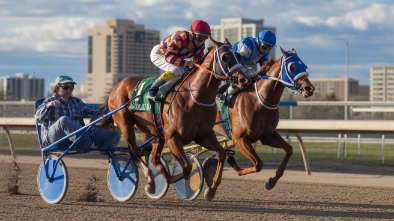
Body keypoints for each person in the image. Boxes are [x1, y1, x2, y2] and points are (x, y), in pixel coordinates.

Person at [34, 75, 121, 152]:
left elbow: (97, 111)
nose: (69, 90)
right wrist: (49, 106)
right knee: (63, 120)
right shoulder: (49, 101)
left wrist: (116, 108)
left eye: (71, 87)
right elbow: (38, 118)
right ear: (57, 88)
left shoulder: (77, 102)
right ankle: (83, 141)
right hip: (53, 139)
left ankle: (105, 149)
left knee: (115, 134)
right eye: (65, 87)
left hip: (78, 138)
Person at [146, 19, 211, 102]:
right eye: (199, 38)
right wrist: (187, 63)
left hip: (174, 57)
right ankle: (152, 90)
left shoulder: (201, 45)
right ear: (192, 34)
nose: (201, 42)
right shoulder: (180, 37)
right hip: (160, 54)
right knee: (177, 69)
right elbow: (169, 57)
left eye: (205, 38)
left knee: (188, 71)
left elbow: (198, 60)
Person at [216, 30, 276, 103]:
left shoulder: (265, 52)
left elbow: (264, 68)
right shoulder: (246, 46)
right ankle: (221, 93)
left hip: (241, 65)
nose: (267, 51)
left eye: (270, 48)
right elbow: (240, 67)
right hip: (231, 64)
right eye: (265, 47)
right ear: (258, 41)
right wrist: (254, 73)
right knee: (243, 78)